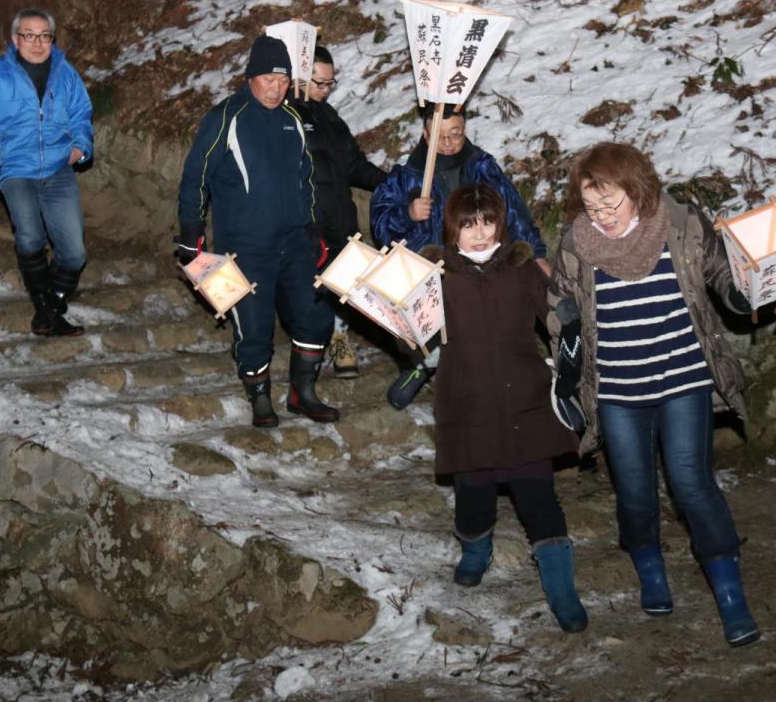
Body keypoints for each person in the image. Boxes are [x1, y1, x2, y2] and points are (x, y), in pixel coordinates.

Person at [546, 141, 760, 647]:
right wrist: (564, 326)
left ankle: (730, 594)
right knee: (636, 492)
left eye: (610, 203)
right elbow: (557, 301)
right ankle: (651, 570)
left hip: (683, 376)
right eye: (590, 205)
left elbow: (720, 272)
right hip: (619, 390)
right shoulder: (577, 244)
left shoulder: (680, 224)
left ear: (637, 190)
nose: (600, 214)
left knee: (691, 481)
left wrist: (743, 291)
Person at [433, 183, 586, 634]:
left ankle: (562, 590)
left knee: (540, 499)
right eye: (467, 225)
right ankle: (476, 548)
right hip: (468, 398)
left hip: (525, 398)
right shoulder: (437, 274)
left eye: (486, 222)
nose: (479, 234)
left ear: (500, 223)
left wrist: (572, 322)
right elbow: (414, 326)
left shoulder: (522, 269)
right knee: (474, 494)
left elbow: (558, 316)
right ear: (452, 229)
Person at [176, 35, 338, 428]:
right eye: (268, 79)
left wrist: (316, 227)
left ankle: (304, 392)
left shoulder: (293, 120)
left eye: (283, 81)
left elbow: (308, 179)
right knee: (255, 324)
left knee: (316, 314)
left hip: (295, 241)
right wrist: (191, 233)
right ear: (251, 77)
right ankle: (260, 396)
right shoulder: (226, 117)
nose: (276, 88)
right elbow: (196, 175)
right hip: (246, 245)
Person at [370, 104, 550, 409]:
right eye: (441, 136)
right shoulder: (407, 175)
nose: (450, 142)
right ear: (425, 135)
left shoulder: (481, 165)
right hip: (431, 264)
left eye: (457, 134)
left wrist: (538, 252)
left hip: (482, 260)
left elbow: (514, 211)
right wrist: (408, 214)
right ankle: (426, 362)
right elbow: (381, 225)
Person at [0, 7, 93, 338]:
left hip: (59, 167)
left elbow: (81, 113)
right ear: (16, 39)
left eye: (44, 35)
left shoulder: (65, 72)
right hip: (15, 165)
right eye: (29, 35)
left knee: (74, 252)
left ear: (52, 39)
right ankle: (47, 313)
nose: (37, 42)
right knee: (30, 236)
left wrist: (81, 145)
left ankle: (50, 308)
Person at [291, 45, 387, 379]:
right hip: (308, 223)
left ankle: (339, 339)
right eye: (319, 83)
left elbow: (354, 165)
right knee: (314, 291)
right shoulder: (285, 118)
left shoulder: (330, 117)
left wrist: (388, 184)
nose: (325, 90)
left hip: (340, 217)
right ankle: (307, 356)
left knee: (345, 287)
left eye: (330, 83)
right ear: (299, 79)